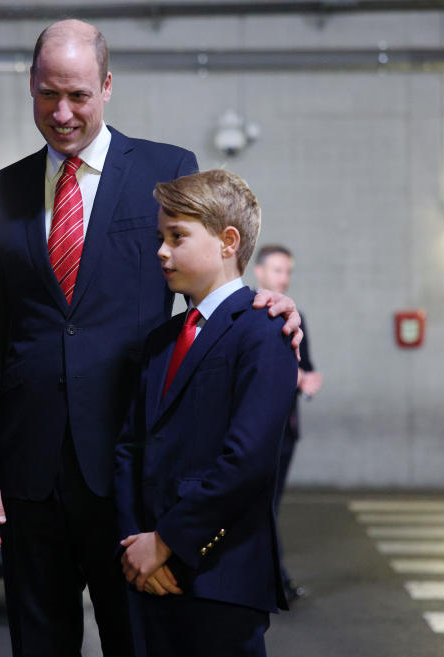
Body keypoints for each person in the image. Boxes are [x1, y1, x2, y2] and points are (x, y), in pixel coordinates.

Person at [0, 18, 302, 657]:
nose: (62, 113)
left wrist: (262, 301)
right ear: (30, 86)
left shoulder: (166, 169)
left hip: (133, 462)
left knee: (136, 640)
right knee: (37, 640)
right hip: (28, 469)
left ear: (107, 86)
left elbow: (208, 276)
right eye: (47, 94)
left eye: (79, 95)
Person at [116, 170, 296, 657]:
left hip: (221, 573)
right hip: (149, 571)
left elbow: (248, 461)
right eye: (161, 237)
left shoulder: (264, 331)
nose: (162, 251)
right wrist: (138, 546)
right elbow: (130, 448)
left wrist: (169, 541)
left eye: (177, 237)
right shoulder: (162, 340)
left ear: (227, 241)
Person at [253, 243, 323, 601]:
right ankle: (273, 581)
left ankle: (272, 579)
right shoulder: (248, 314)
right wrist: (294, 377)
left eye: (288, 271)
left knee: (272, 505)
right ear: (259, 271)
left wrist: (308, 380)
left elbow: (305, 368)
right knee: (259, 505)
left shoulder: (297, 316)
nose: (284, 278)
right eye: (278, 270)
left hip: (286, 428)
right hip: (255, 428)